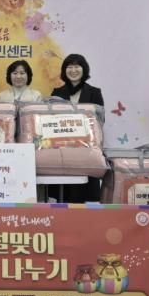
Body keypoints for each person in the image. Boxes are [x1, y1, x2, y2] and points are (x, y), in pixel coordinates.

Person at [49, 53, 103, 202]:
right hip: (62, 148)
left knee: (86, 194)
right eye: (69, 67)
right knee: (62, 194)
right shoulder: (56, 93)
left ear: (84, 69)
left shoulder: (95, 92)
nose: (73, 70)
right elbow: (51, 120)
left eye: (77, 66)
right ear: (64, 70)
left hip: (87, 149)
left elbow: (99, 121)